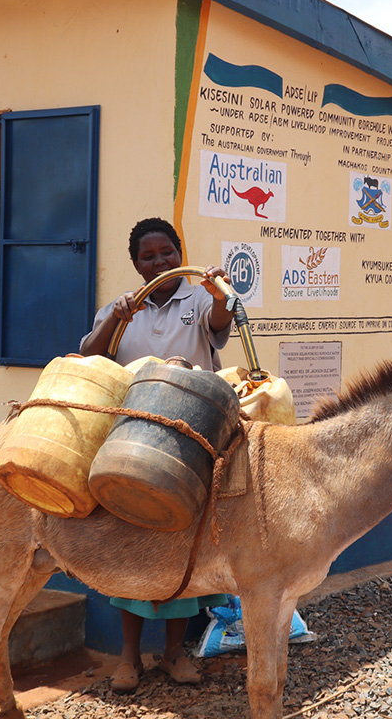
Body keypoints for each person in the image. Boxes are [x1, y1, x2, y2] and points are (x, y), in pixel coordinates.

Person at [80, 216, 232, 692]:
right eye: (149, 257)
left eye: (166, 252)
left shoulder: (201, 299)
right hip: (132, 445)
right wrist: (115, 318)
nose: (160, 262)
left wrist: (222, 293)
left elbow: (223, 321)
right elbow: (88, 355)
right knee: (132, 550)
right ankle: (129, 657)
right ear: (136, 265)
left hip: (191, 446)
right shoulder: (123, 310)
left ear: (178, 252)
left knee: (181, 552)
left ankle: (172, 655)